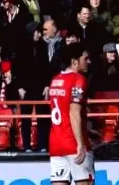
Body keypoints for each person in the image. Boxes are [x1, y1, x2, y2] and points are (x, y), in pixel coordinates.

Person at [45, 44, 94, 185]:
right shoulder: (79, 80)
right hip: (73, 143)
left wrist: (87, 129)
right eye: (86, 58)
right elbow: (73, 111)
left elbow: (63, 110)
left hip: (56, 143)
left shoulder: (55, 80)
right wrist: (80, 143)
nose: (88, 62)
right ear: (74, 62)